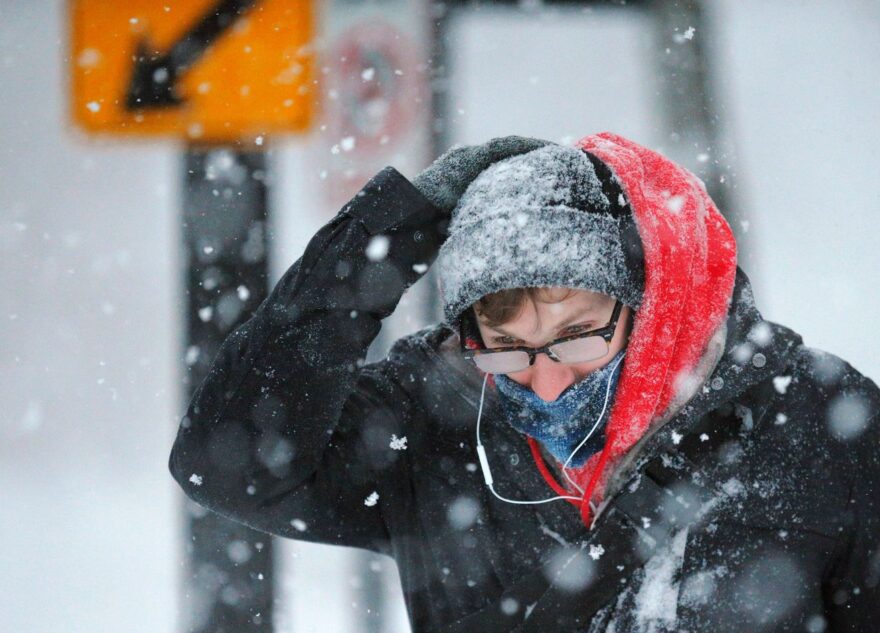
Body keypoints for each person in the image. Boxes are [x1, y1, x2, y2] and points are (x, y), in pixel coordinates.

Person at [169, 133, 880, 632]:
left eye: (576, 337)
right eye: (507, 349)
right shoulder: (436, 418)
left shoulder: (821, 427)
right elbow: (224, 463)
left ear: (656, 304)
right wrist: (385, 240)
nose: (544, 384)